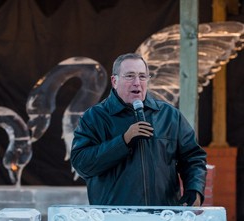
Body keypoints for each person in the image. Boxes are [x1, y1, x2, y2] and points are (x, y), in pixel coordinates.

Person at [71, 53, 207, 207]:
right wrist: (123, 141)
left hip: (162, 217)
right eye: (130, 76)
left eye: (142, 76)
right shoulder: (95, 117)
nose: (137, 82)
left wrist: (194, 190)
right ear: (114, 81)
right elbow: (82, 164)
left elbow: (193, 158)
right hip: (114, 220)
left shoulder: (169, 116)